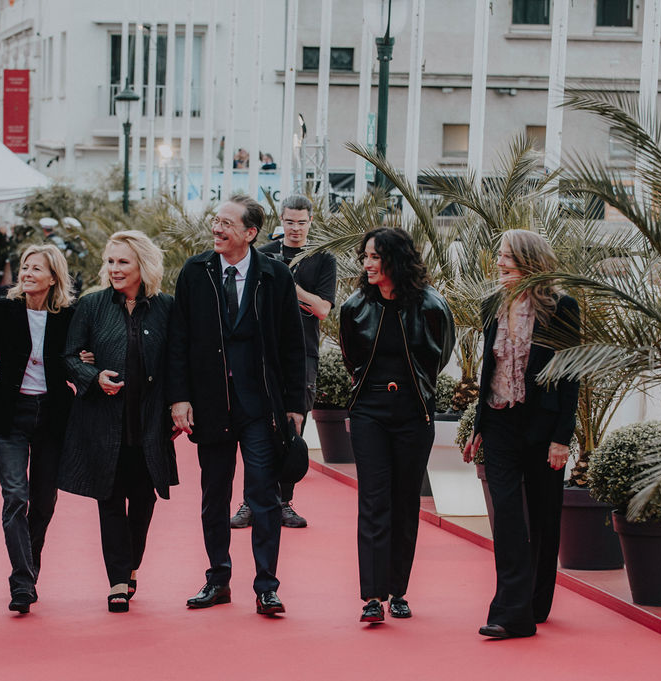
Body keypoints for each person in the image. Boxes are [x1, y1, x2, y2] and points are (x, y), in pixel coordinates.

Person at [168, 194, 305, 616]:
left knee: (263, 496)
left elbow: (293, 344)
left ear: (250, 233)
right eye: (216, 220)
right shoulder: (195, 272)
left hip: (260, 407)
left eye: (227, 223)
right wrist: (179, 397)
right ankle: (218, 580)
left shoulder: (275, 276)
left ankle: (267, 587)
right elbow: (178, 340)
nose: (217, 228)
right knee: (214, 496)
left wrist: (295, 405)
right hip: (211, 405)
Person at [462, 229, 580, 640]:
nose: (499, 263)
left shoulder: (562, 307)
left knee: (544, 517)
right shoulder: (492, 303)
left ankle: (536, 601)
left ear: (530, 261)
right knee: (508, 516)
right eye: (500, 255)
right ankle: (511, 613)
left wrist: (562, 437)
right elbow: (488, 368)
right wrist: (478, 425)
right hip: (499, 422)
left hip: (542, 426)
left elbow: (570, 376)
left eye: (507, 257)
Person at [339, 227, 454, 623]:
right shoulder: (354, 307)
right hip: (369, 411)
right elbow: (351, 358)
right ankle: (373, 596)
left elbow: (440, 356)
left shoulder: (432, 306)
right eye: (365, 257)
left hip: (413, 413)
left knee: (405, 502)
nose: (367, 264)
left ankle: (398, 591)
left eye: (375, 257)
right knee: (373, 501)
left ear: (396, 260)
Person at [61, 231, 178, 613]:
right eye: (110, 261)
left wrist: (180, 405)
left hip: (149, 423)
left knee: (143, 499)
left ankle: (130, 566)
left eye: (123, 261)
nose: (114, 268)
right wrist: (94, 376)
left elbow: (177, 362)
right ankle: (117, 580)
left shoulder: (165, 307)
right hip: (102, 422)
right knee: (109, 498)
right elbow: (69, 356)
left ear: (143, 265)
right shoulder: (92, 305)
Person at [0, 244, 76, 615]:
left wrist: (87, 358)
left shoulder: (68, 315)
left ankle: (28, 571)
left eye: (36, 269)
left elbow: (74, 361)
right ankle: (22, 582)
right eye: (25, 267)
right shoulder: (4, 310)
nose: (27, 273)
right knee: (16, 496)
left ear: (53, 277)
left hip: (52, 417)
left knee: (44, 501)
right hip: (10, 416)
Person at [231, 194, 336, 530]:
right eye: (289, 222)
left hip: (303, 354)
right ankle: (250, 502)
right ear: (281, 220)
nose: (295, 228)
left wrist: (289, 284)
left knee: (292, 427)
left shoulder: (323, 259)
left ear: (310, 222)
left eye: (301, 222)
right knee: (254, 427)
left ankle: (283, 502)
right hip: (261, 354)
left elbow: (322, 309)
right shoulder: (261, 254)